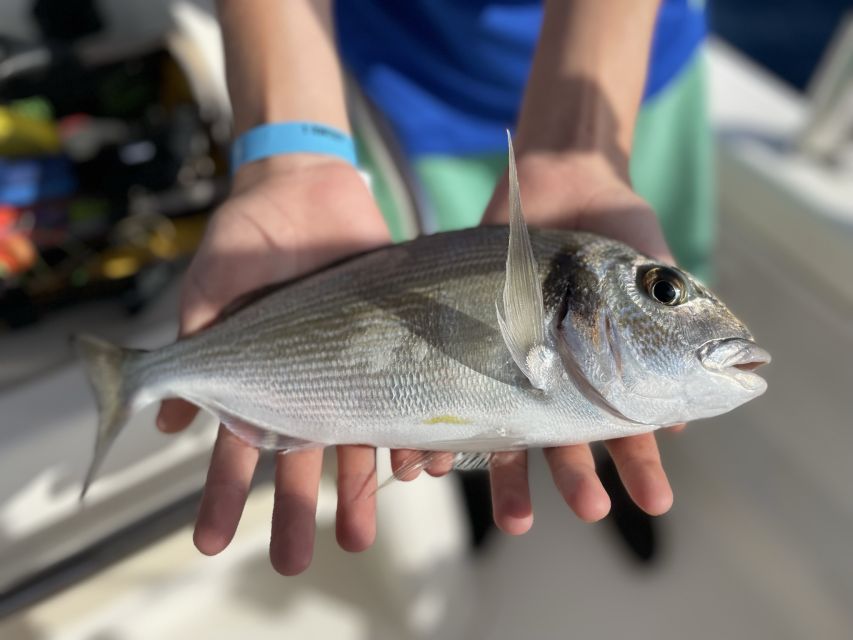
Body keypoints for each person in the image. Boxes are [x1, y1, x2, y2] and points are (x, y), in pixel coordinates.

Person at [157, 0, 712, 575]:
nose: (667, 297)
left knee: (636, 397)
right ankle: (472, 475)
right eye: (662, 292)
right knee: (416, 360)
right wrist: (289, 160)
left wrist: (581, 138)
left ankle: (602, 453)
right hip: (405, 84)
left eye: (662, 292)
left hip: (626, 67)